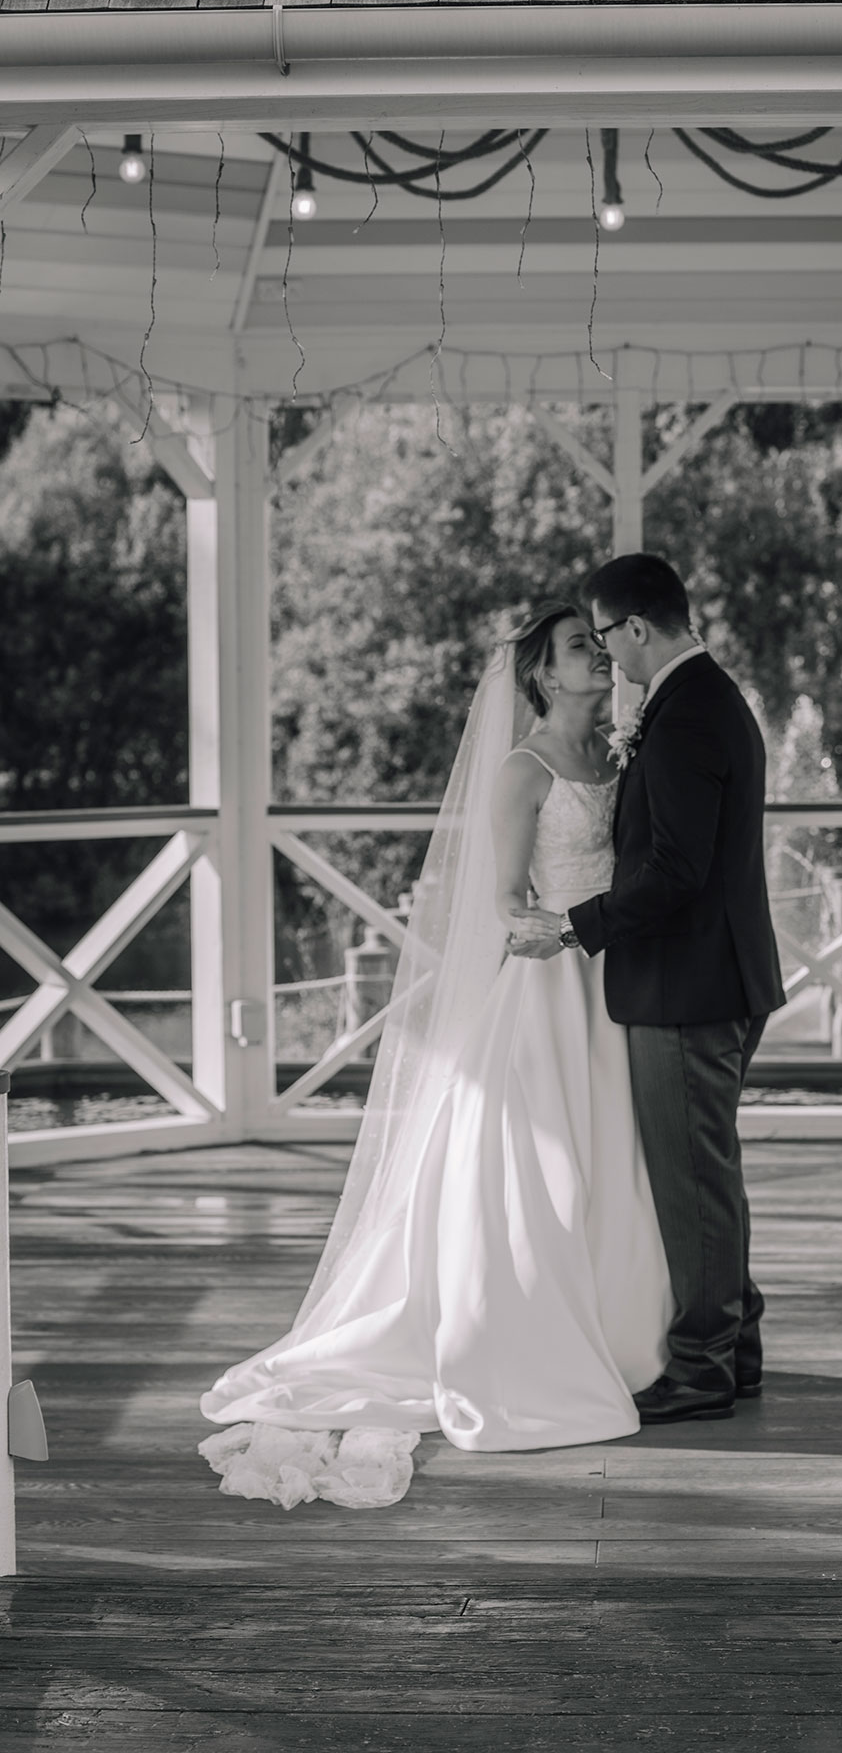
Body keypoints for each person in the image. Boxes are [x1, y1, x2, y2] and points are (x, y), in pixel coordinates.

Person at [198, 603, 672, 1509]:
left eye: (600, 646)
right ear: (540, 675)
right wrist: (566, 937)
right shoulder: (523, 769)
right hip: (553, 982)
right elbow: (499, 899)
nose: (600, 658)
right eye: (581, 648)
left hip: (622, 982)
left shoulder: (619, 758)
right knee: (552, 1169)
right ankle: (527, 1340)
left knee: (622, 1162)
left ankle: (627, 1328)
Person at [510, 554, 784, 1426]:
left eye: (607, 636)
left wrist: (573, 926)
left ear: (635, 628)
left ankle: (703, 1363)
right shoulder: (702, 699)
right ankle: (734, 1346)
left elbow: (675, 869)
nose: (608, 656)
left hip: (687, 987)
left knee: (694, 1181)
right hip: (708, 977)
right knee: (709, 1172)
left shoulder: (685, 715)